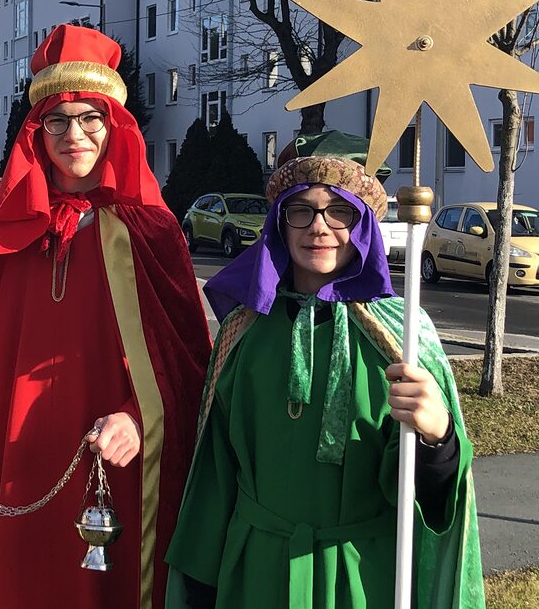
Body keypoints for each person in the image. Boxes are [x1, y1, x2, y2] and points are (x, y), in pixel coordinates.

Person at [0, 24, 211, 609]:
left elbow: (186, 362)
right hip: (18, 460)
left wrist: (139, 417)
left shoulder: (152, 230)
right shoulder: (2, 230)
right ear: (36, 130)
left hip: (112, 461)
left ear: (114, 125)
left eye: (89, 118)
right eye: (56, 120)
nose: (73, 135)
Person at [165, 154, 485, 608]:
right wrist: (199, 590)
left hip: (362, 579)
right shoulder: (243, 333)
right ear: (280, 224)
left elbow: (425, 501)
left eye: (340, 212)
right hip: (257, 575)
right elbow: (213, 477)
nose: (319, 227)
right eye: (302, 210)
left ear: (363, 227)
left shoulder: (402, 338)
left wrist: (438, 438)